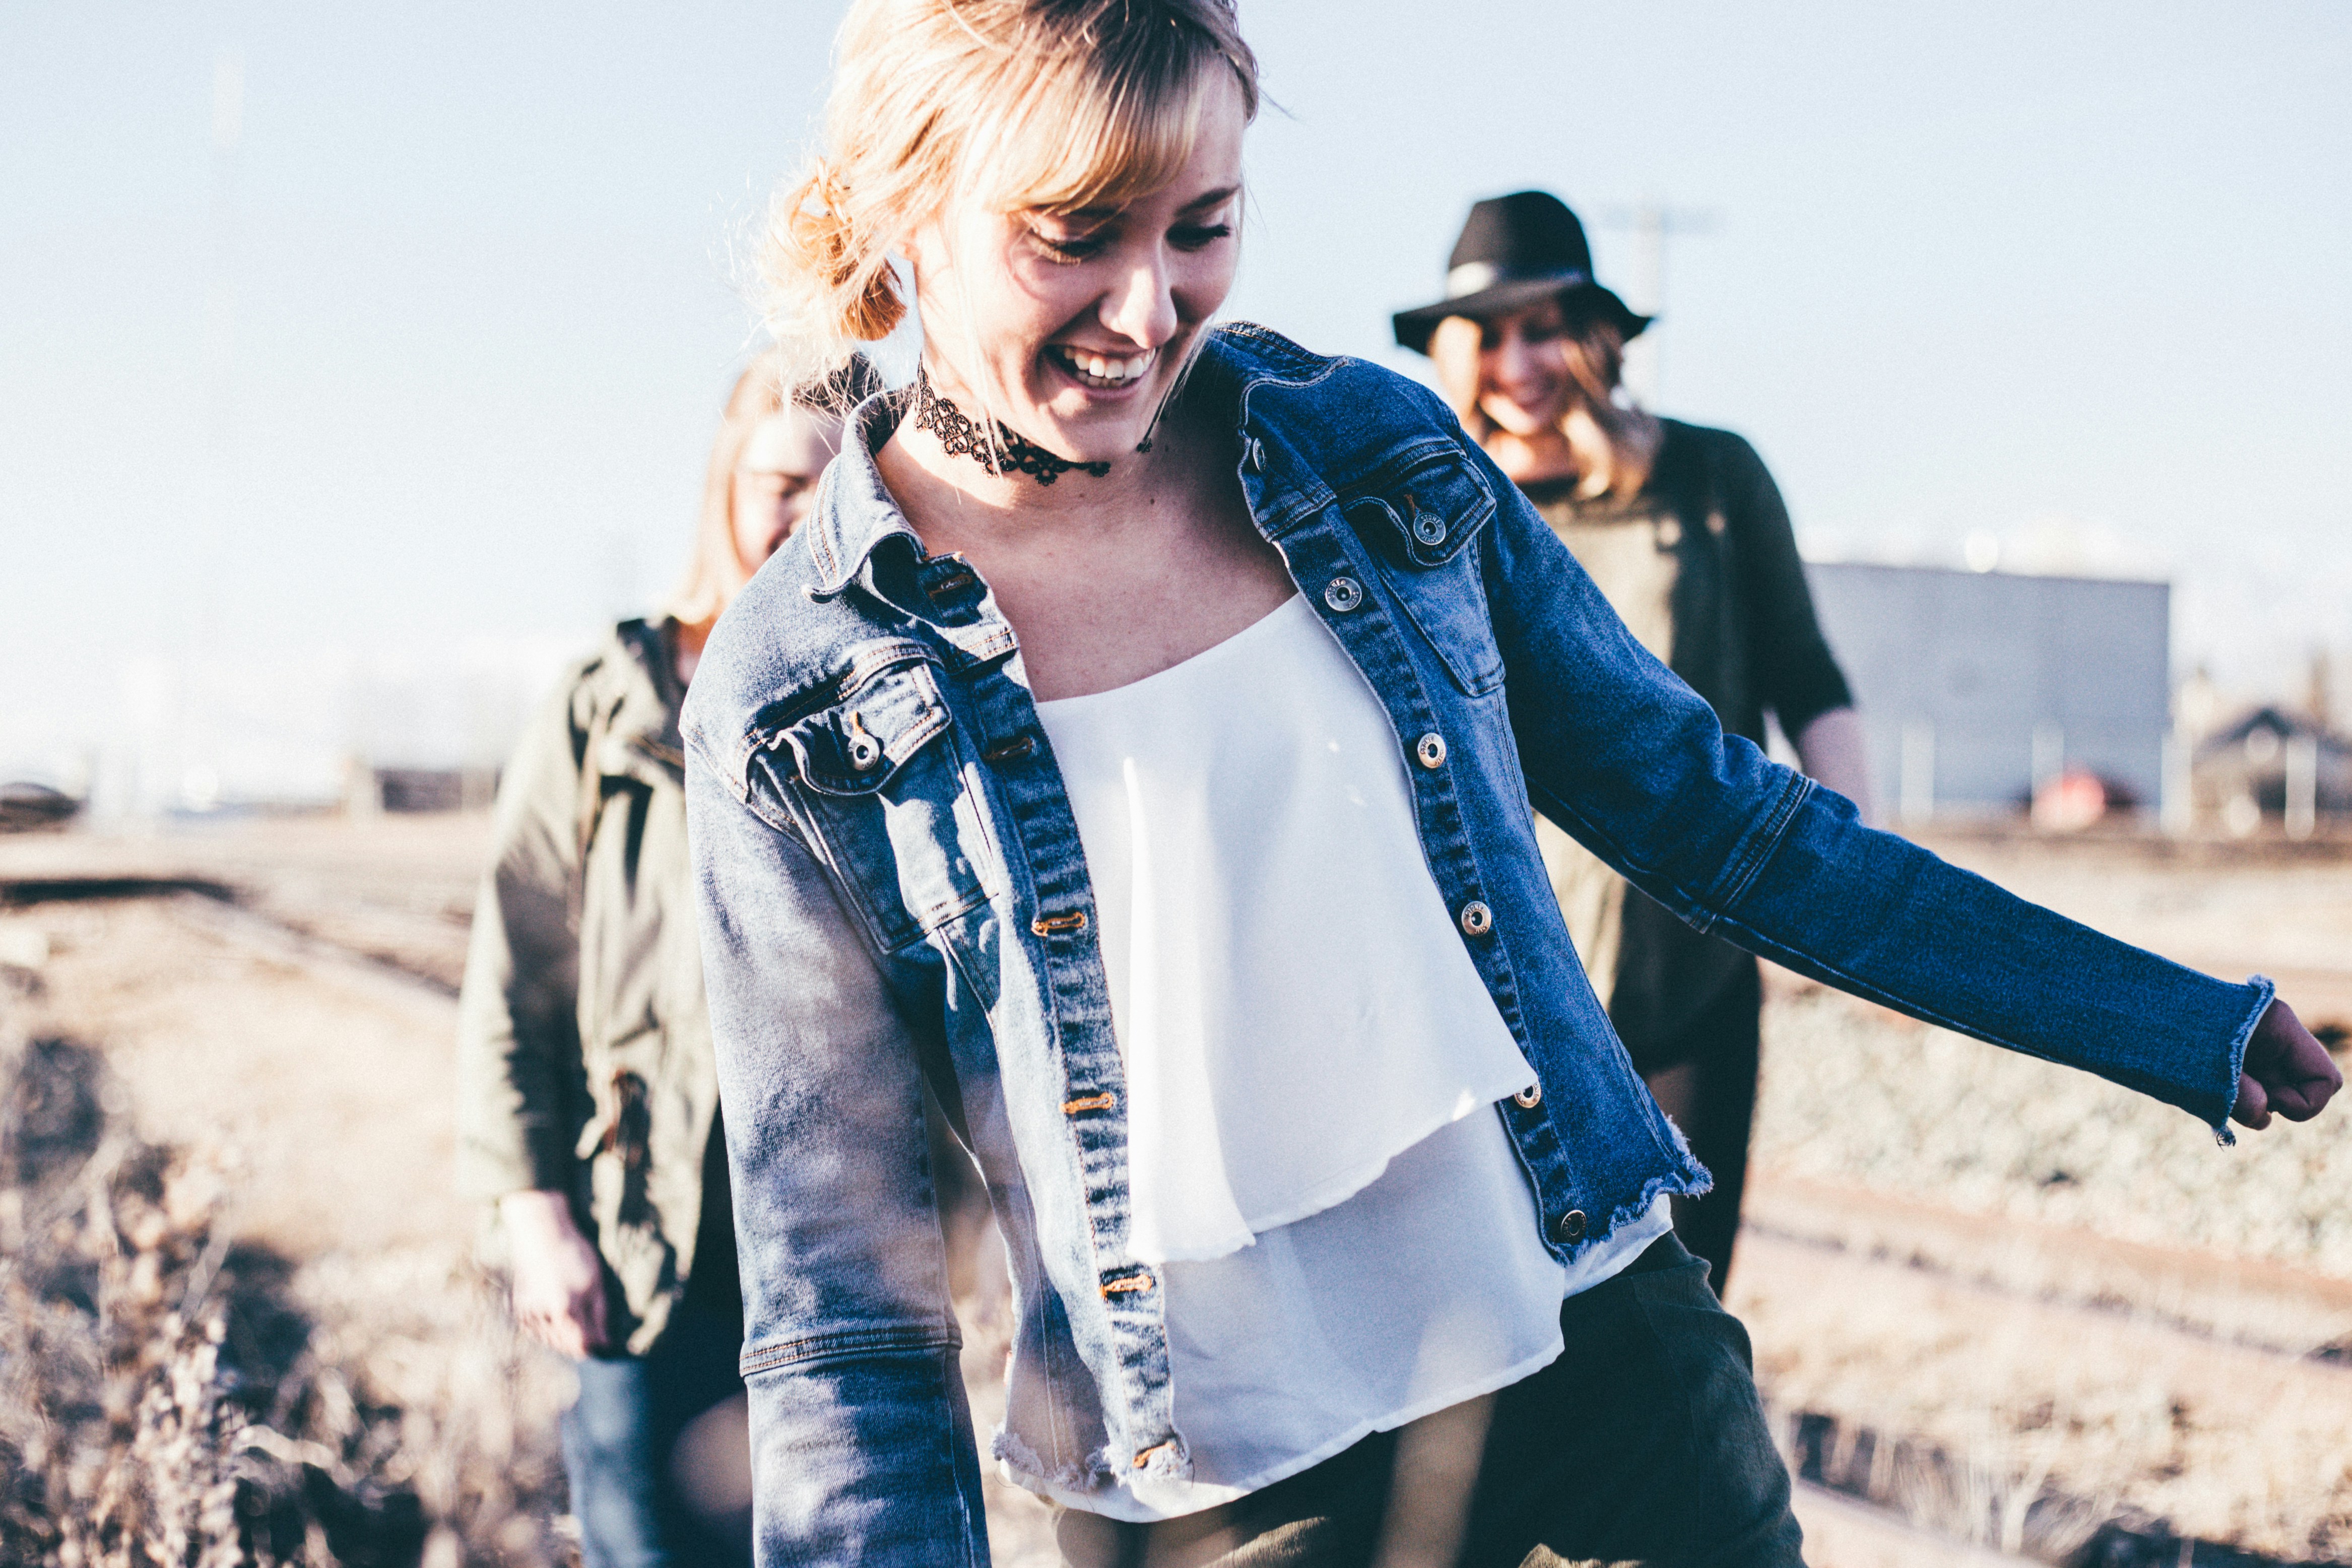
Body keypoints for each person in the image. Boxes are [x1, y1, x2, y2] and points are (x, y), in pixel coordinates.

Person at [681, 3, 2341, 1563]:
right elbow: (844, 1310)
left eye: (1199, 225)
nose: (1146, 311)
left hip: (1602, 1370)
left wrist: (2153, 1017)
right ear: (903, 200)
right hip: (1222, 1500)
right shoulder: (793, 696)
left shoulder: (1369, 459)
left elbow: (1726, 823)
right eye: (1073, 234)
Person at [1394, 189, 1871, 1290]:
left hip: (1686, 968)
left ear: (1599, 338)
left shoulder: (1710, 481)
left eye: (1547, 325)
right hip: (1488, 979)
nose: (1520, 361)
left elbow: (1808, 677)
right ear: (1452, 353)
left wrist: (1851, 881)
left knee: (1685, 1303)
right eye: (1491, 332)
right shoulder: (1418, 512)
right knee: (1511, 1318)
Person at [455, 353, 850, 1566]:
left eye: (842, 487)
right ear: (726, 482)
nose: (807, 514)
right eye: (783, 479)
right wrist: (533, 1211)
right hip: (646, 1236)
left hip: (834, 1254)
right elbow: (511, 979)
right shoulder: (607, 707)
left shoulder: (887, 703)